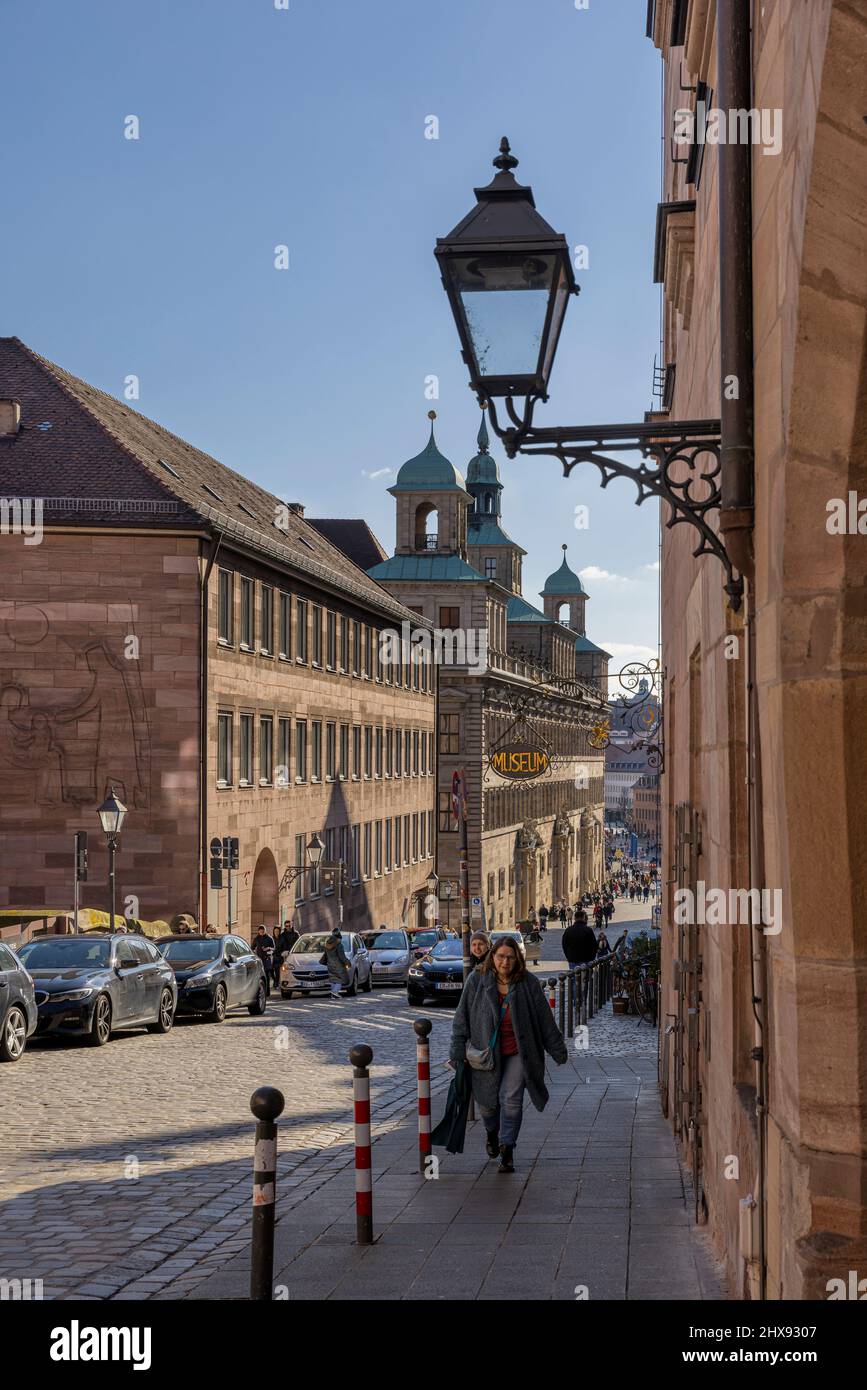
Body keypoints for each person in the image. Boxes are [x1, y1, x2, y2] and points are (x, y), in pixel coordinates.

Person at [449, 936, 567, 1173]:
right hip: (486, 1054)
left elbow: (545, 1018)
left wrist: (557, 1049)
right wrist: (457, 1051)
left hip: (518, 1053)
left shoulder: (528, 983)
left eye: (510, 957)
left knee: (511, 1100)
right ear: (493, 957)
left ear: (518, 959)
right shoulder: (477, 981)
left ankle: (507, 1149)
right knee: (488, 1105)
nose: (505, 962)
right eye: (501, 956)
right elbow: (461, 1019)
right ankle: (492, 1133)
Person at [323, 930, 350, 1000]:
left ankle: (333, 996)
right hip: (338, 965)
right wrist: (348, 963)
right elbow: (342, 957)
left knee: (333, 979)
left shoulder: (327, 944)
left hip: (330, 964)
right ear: (338, 938)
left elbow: (326, 955)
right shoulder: (339, 945)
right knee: (340, 979)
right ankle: (334, 992)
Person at [253, 924, 276, 995]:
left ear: (265, 931)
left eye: (263, 931)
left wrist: (268, 948)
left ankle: (267, 992)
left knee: (267, 976)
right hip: (259, 960)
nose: (261, 933)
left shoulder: (269, 938)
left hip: (267, 959)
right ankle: (260, 991)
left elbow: (273, 948)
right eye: (260, 932)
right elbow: (252, 947)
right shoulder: (256, 938)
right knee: (260, 977)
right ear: (258, 932)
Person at [274, 922, 298, 988]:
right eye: (286, 926)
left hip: (294, 953)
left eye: (289, 926)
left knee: (294, 968)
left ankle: (296, 981)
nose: (288, 927)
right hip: (285, 954)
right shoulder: (283, 935)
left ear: (291, 925)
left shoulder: (296, 934)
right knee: (285, 970)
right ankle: (284, 983)